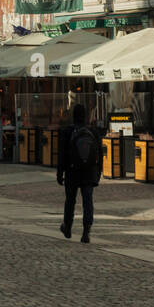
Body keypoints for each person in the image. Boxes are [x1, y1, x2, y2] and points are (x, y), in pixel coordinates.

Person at [57, 103, 103, 244]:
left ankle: (68, 226)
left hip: (72, 171)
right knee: (87, 201)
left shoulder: (68, 131)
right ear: (85, 116)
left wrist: (60, 173)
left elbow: (62, 154)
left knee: (70, 200)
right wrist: (98, 172)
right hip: (89, 172)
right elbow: (99, 154)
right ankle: (86, 231)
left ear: (73, 115)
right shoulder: (93, 132)